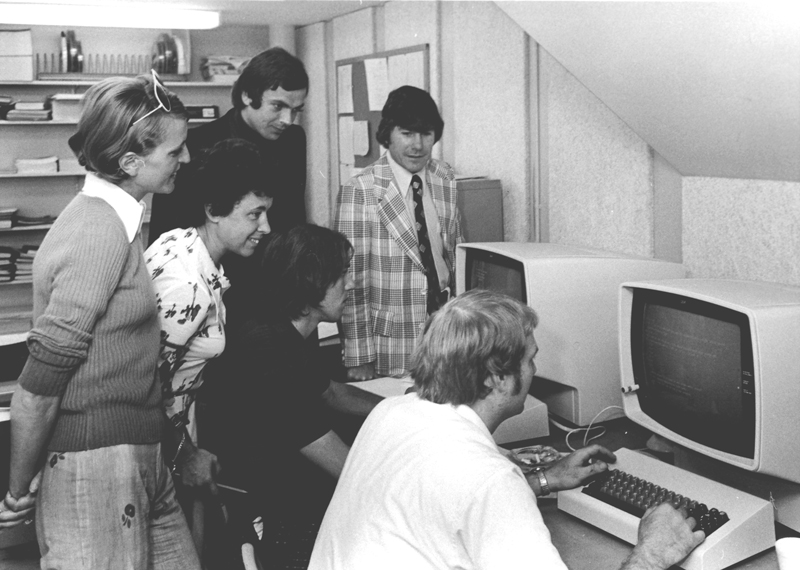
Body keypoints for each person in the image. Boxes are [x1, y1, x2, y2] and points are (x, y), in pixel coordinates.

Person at [308, 289, 705, 570]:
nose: (534, 371)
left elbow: (442, 503)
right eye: (530, 359)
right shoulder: (490, 481)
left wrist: (544, 480)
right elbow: (477, 492)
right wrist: (651, 554)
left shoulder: (393, 413)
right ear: (497, 378)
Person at [0, 72, 202, 569]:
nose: (187, 160)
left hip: (137, 455)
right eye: (175, 153)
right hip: (95, 463)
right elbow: (37, 389)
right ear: (130, 162)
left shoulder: (121, 221)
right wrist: (18, 490)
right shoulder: (97, 232)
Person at [202, 224, 382, 567]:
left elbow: (330, 392)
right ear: (310, 280)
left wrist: (399, 409)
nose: (352, 283)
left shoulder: (283, 328)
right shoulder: (268, 350)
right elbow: (338, 460)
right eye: (342, 274)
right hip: (270, 511)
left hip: (284, 492)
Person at [144, 138, 272, 558]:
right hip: (159, 443)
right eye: (254, 214)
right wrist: (185, 454)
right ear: (214, 211)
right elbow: (143, 387)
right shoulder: (188, 287)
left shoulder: (185, 245)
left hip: (177, 431)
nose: (266, 227)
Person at [335, 85, 463, 381]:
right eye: (407, 133)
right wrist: (358, 355)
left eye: (426, 134)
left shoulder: (446, 178)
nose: (418, 145)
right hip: (390, 341)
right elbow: (351, 280)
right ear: (388, 134)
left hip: (445, 332)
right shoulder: (361, 190)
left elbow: (454, 253)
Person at [149, 46, 308, 242]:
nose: (287, 120)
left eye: (296, 110)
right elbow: (166, 232)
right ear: (247, 95)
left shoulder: (293, 139)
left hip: (277, 262)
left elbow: (294, 215)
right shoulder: (194, 145)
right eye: (278, 106)